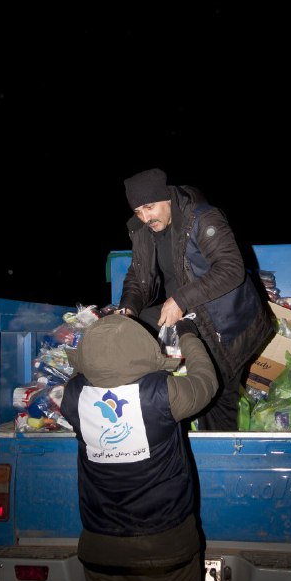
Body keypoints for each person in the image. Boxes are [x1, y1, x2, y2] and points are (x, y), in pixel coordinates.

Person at [60, 312, 218, 581]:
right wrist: (189, 334)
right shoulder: (164, 394)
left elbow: (86, 374)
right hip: (167, 551)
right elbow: (206, 381)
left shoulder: (73, 398)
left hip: (101, 552)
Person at [118, 167, 273, 431]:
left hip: (225, 323)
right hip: (189, 314)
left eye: (149, 207)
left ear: (165, 197)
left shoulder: (202, 219)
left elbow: (231, 269)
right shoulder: (145, 232)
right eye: (138, 212)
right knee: (141, 327)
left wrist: (179, 299)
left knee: (217, 395)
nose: (145, 217)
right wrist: (128, 309)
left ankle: (222, 459)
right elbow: (137, 276)